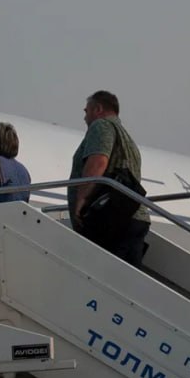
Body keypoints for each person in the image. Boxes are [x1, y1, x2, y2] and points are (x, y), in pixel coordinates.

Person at [68, 90, 150, 266]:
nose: (84, 117)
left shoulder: (102, 126)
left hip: (113, 220)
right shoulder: (127, 140)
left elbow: (98, 162)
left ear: (98, 109)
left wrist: (81, 200)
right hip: (134, 218)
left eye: (86, 111)